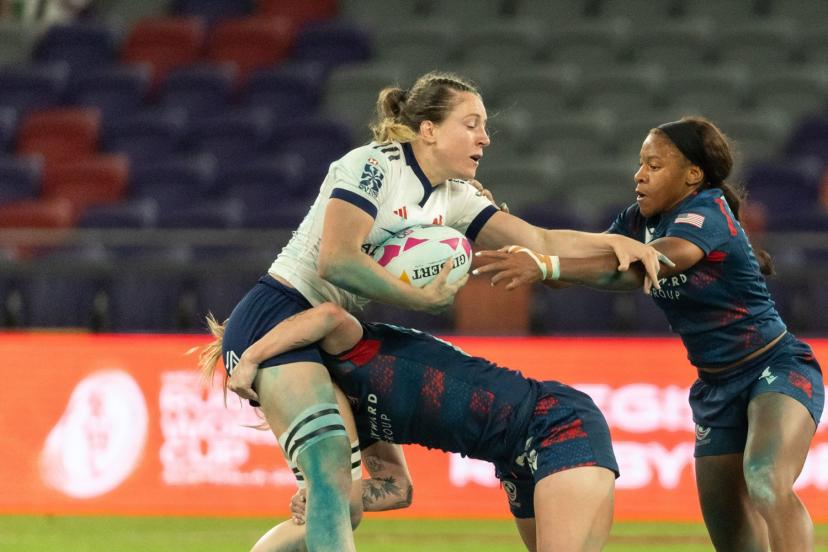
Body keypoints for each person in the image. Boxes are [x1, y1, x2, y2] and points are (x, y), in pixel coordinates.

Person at [217, 70, 665, 551]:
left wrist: (614, 240)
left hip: (324, 330)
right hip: (278, 314)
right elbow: (336, 258)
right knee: (329, 473)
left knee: (343, 503)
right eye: (470, 124)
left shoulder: (455, 197)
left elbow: (538, 240)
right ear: (428, 129)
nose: (485, 137)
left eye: (485, 126)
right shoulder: (373, 167)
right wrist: (418, 298)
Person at [474, 116, 824, 552]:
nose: (639, 174)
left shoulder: (707, 210)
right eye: (641, 164)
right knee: (732, 537)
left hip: (776, 369)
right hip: (716, 388)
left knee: (766, 479)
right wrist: (493, 221)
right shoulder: (638, 221)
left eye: (654, 165)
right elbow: (570, 256)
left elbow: (646, 265)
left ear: (693, 175)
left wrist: (546, 265)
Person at [201, 302, 619, 552]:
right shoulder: (355, 424)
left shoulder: (354, 351)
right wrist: (329, 492)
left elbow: (327, 315)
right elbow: (398, 488)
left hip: (552, 423)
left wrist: (252, 357)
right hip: (512, 460)